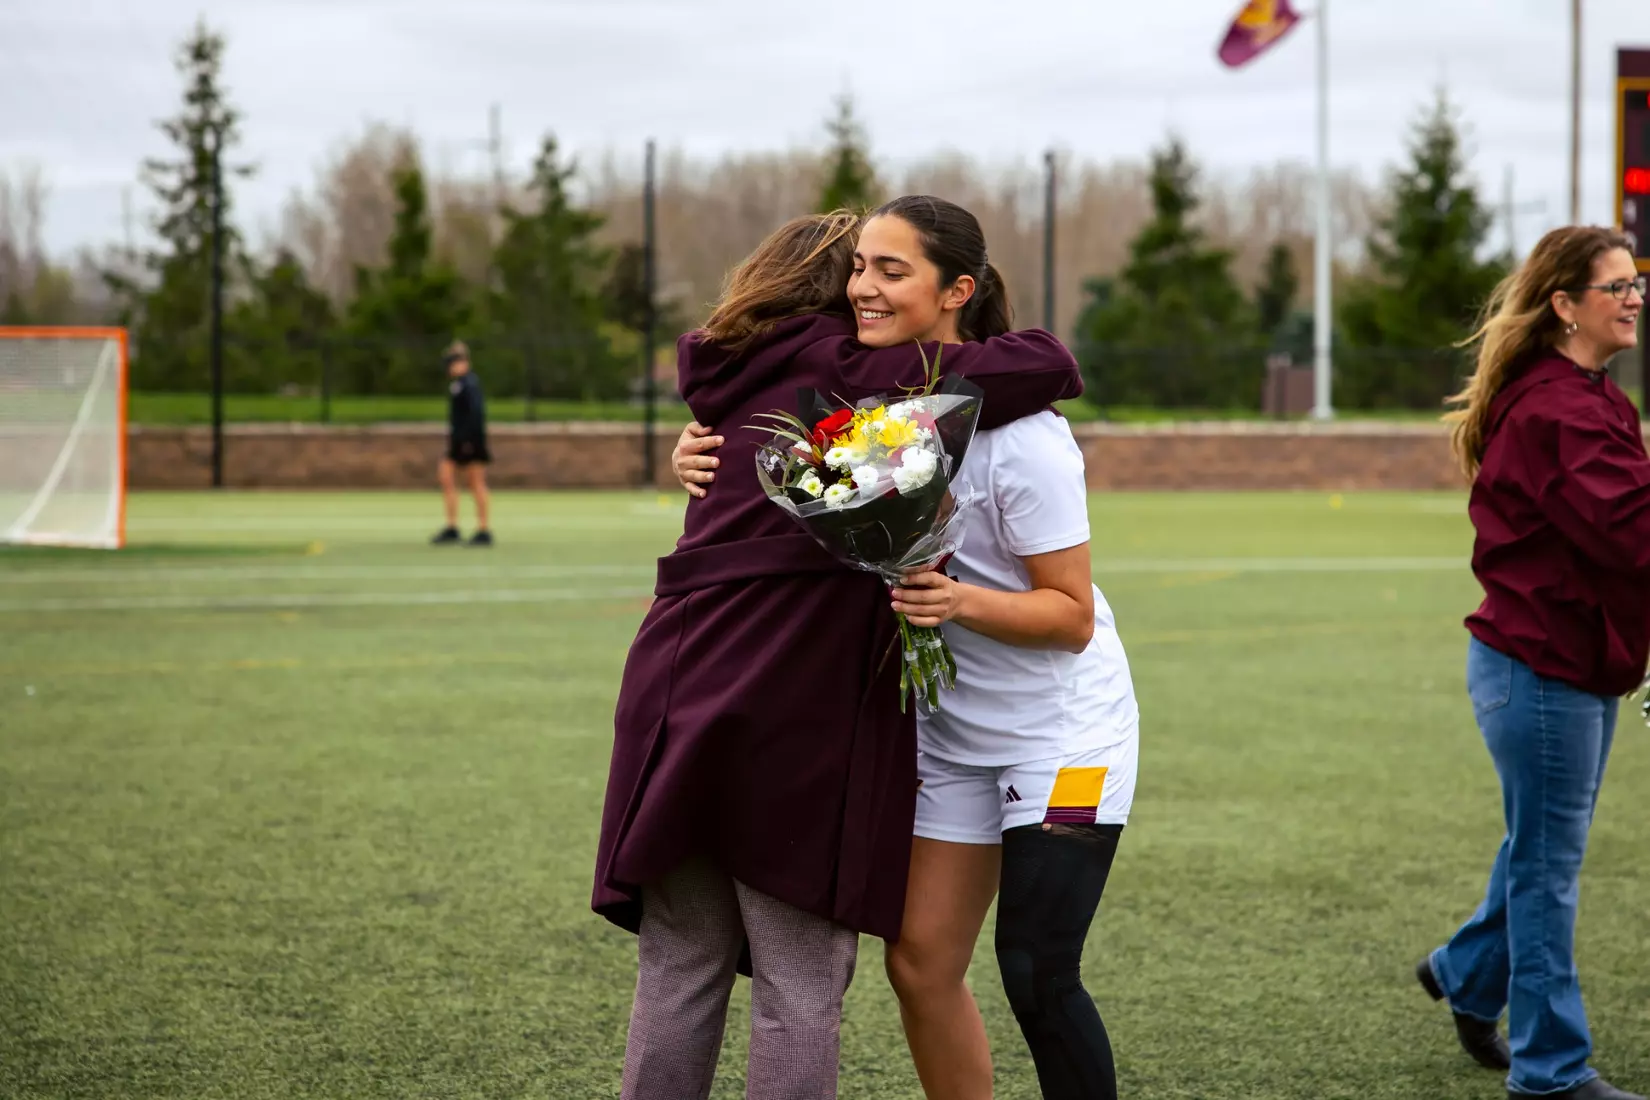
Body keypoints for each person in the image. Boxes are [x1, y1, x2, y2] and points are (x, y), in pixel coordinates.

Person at [593, 208, 1084, 1100]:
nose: (868, 291)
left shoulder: (731, 377)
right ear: (829, 290)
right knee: (799, 987)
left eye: (887, 273)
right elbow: (1050, 359)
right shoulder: (845, 365)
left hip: (668, 696)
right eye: (858, 272)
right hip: (784, 707)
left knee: (678, 970)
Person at [1419, 227, 1645, 1100]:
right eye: (1614, 286)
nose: (1633, 299)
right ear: (1564, 305)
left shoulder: (1584, 395)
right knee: (1549, 868)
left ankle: (1466, 974)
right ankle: (1552, 1071)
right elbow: (1630, 534)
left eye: (1637, 285)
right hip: (1543, 670)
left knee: (1541, 849)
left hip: (1566, 662)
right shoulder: (1562, 408)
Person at [431, 340, 493, 547]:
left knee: (475, 483)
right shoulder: (458, 384)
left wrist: (468, 440)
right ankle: (452, 526)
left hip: (470, 442)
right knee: (447, 477)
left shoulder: (469, 384)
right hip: (459, 442)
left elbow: (475, 415)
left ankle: (483, 530)